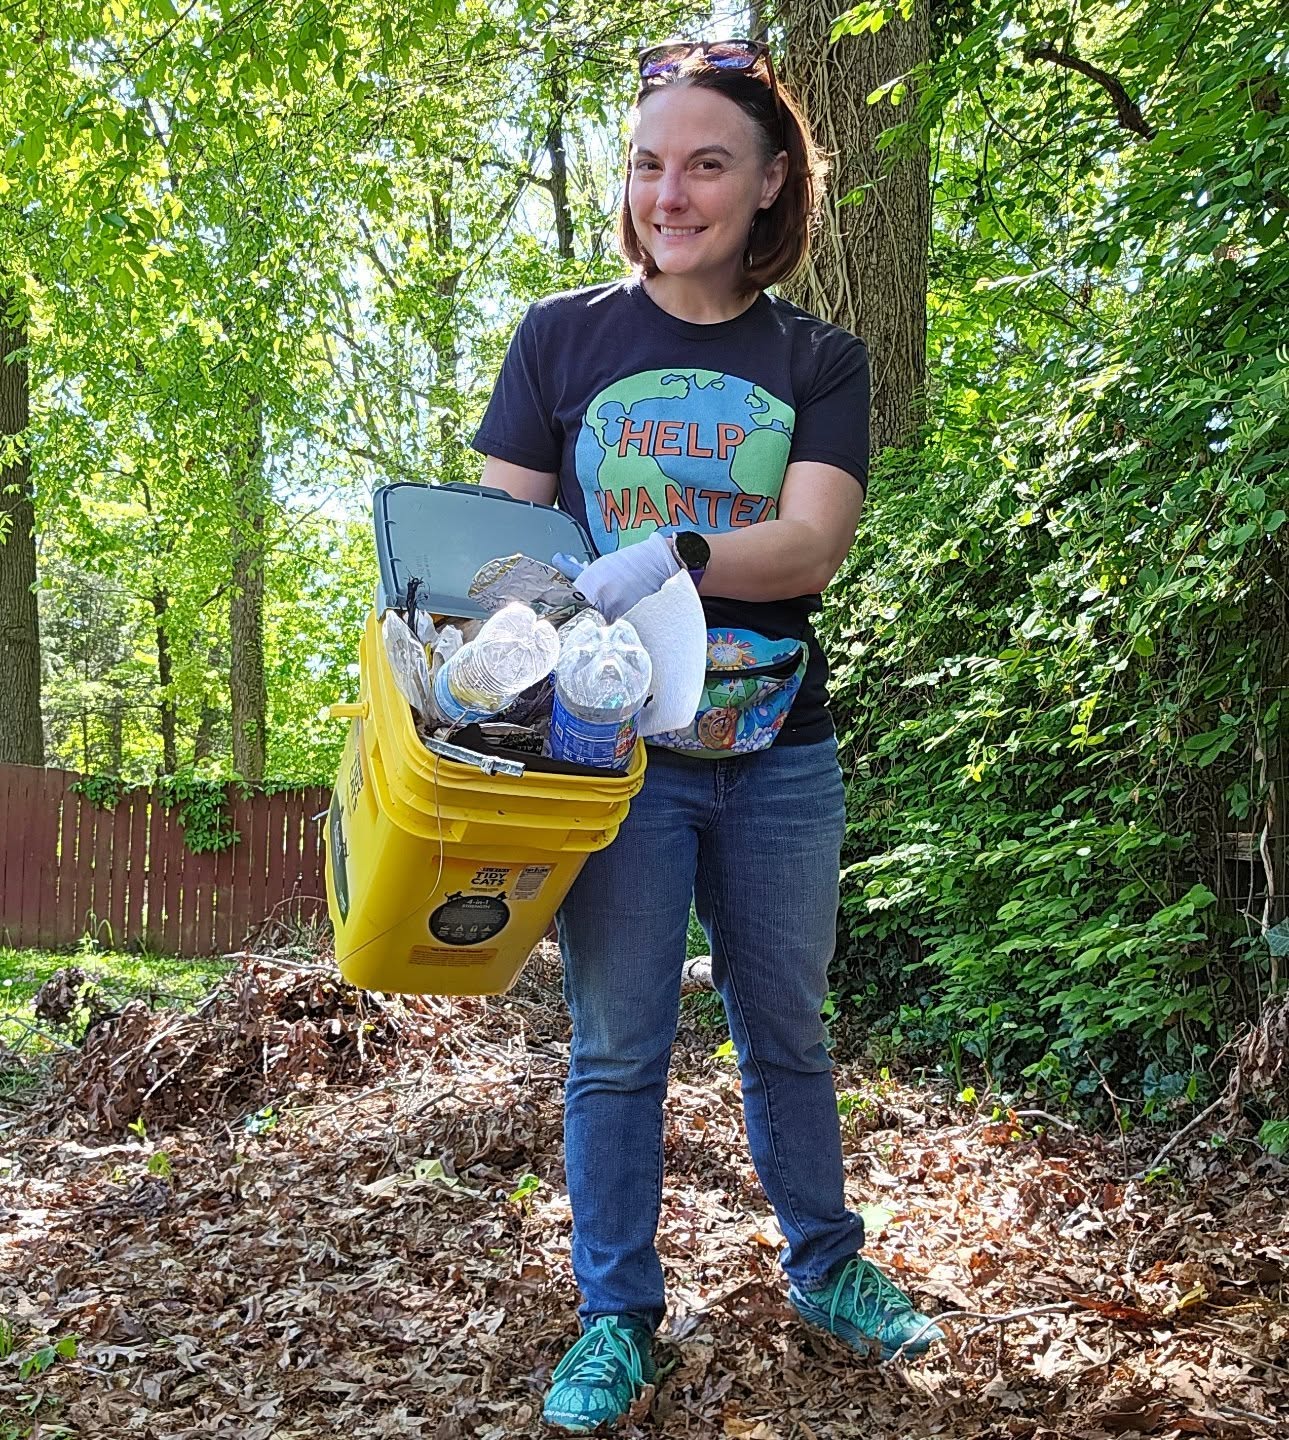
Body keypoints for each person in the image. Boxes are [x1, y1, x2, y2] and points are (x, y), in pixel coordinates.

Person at [472, 38, 944, 1433]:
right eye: (646, 163)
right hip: (608, 763)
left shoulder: (815, 354)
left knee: (785, 1030)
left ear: (767, 184)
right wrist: (532, 600)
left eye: (704, 164)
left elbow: (807, 548)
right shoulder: (563, 336)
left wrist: (659, 550)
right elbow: (503, 545)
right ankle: (617, 1319)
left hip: (779, 750)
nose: (667, 192)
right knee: (616, 1046)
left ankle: (827, 1270)